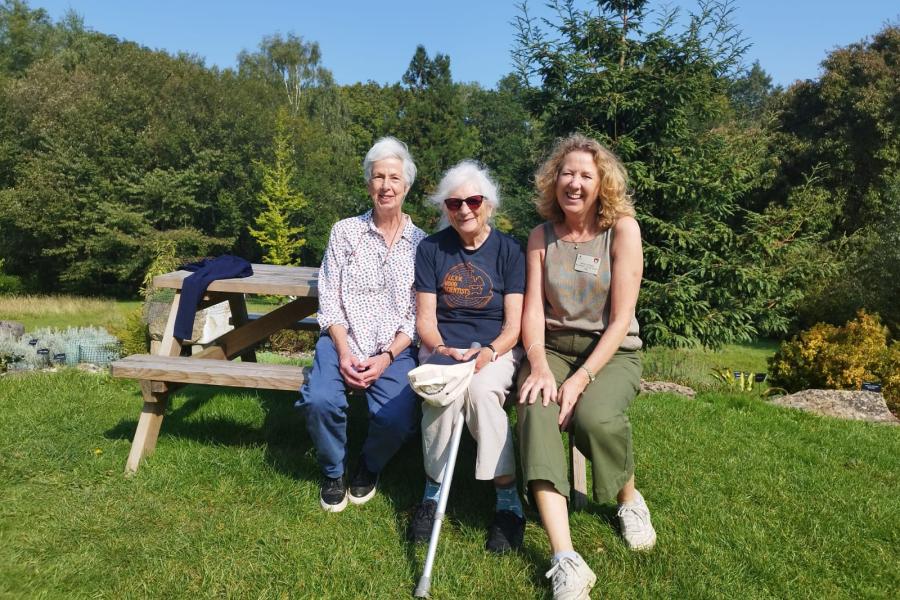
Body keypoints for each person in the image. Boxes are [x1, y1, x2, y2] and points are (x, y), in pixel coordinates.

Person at [517, 134, 656, 599]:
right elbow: (533, 310)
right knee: (535, 408)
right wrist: (537, 362)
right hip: (552, 348)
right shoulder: (541, 236)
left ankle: (628, 499)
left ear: (602, 184)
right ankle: (565, 559)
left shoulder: (623, 230)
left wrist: (579, 380)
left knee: (595, 416)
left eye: (585, 175)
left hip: (613, 350)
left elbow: (620, 321)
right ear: (554, 180)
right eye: (566, 173)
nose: (573, 183)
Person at [296, 137, 426, 513]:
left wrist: (386, 357)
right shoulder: (344, 232)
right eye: (378, 177)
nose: (386, 185)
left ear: (406, 186)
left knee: (398, 417)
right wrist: (343, 351)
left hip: (395, 348)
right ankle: (333, 470)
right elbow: (329, 297)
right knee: (320, 400)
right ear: (368, 183)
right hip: (343, 338)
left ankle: (368, 466)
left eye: (394, 178)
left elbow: (418, 314)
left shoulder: (423, 245)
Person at [407, 160, 527, 553]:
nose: (464, 210)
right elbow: (425, 319)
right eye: (454, 203)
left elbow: (514, 327)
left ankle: (507, 499)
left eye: (473, 200)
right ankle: (432, 491)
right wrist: (442, 349)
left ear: (488, 203)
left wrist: (488, 352)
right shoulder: (431, 249)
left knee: (480, 395)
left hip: (495, 351)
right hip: (445, 347)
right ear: (444, 208)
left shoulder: (510, 251)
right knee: (441, 396)